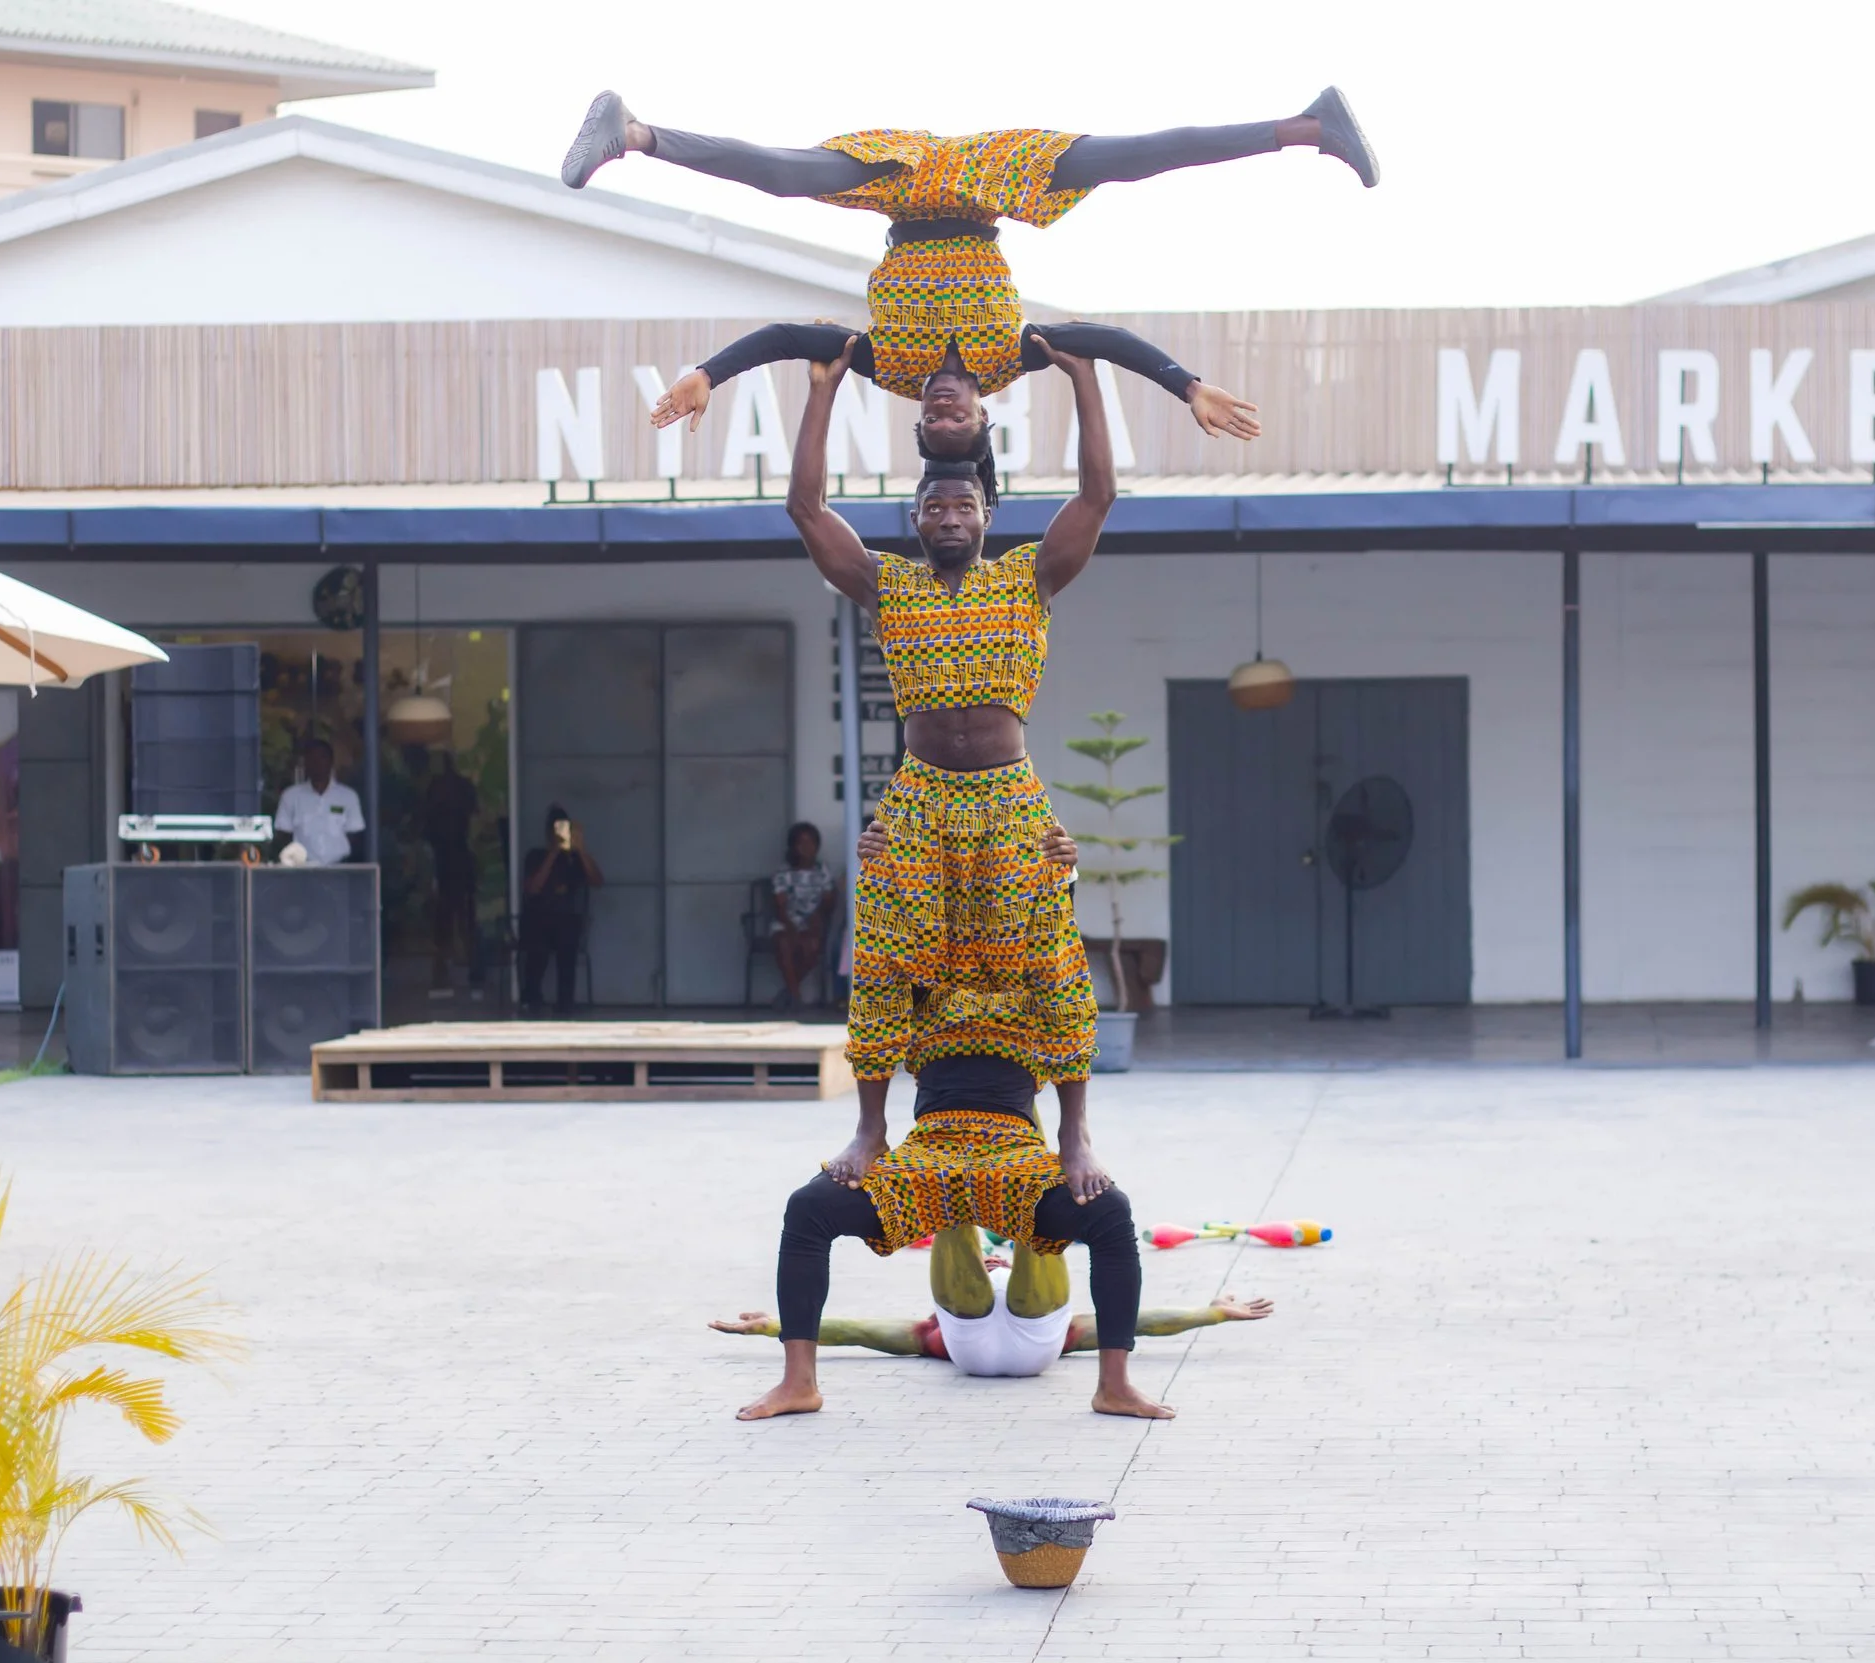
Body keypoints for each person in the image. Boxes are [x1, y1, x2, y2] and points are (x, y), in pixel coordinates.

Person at [563, 89, 1378, 464]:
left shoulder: (893, 370)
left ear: (925, 419)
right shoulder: (1009, 357)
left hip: (903, 183)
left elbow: (786, 338)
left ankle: (631, 133)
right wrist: (1186, 384)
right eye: (961, 423)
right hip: (994, 181)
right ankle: (1310, 125)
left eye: (935, 423)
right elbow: (1101, 338)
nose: (946, 409)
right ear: (982, 417)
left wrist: (710, 373)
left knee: (782, 175)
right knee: (1139, 156)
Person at [793, 332, 1108, 1128]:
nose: (949, 515)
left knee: (1051, 958)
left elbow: (1097, 497)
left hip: (1010, 799)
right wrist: (824, 389)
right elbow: (806, 508)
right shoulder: (886, 584)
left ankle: (1072, 1133)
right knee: (887, 958)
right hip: (918, 801)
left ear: (987, 513)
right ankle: (871, 1130)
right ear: (916, 516)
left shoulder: (1026, 578)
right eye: (933, 505)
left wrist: (1084, 380)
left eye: (963, 504)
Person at [743, 1046, 1173, 1420]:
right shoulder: (919, 964)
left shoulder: (1033, 962)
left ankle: (1113, 1388)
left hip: (1014, 1150)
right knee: (808, 1207)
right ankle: (799, 1384)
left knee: (1110, 1211)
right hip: (932, 1149)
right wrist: (869, 1132)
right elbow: (874, 1026)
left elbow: (1070, 1034)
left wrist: (1074, 1140)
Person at [710, 1221, 1273, 1374]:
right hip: (1033, 1348)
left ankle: (962, 1177)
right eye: (986, 1259)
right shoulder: (1064, 1331)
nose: (991, 1259)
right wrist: (1209, 1315)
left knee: (961, 1217)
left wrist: (775, 1325)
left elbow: (860, 1332)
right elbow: (1132, 1324)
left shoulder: (933, 1333)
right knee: (1036, 1221)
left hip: (971, 1348)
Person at [520, 802, 602, 1015]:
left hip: (566, 920)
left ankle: (566, 1002)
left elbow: (597, 881)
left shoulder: (574, 860)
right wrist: (553, 853)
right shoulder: (536, 856)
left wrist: (581, 850)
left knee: (568, 937)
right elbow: (533, 888)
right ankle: (532, 999)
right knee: (536, 942)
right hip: (539, 919)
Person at [420, 752, 481, 999]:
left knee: (457, 919)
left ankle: (465, 976)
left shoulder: (441, 789)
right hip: (447, 858)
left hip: (454, 858)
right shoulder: (453, 788)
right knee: (452, 920)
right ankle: (455, 976)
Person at [769, 822, 836, 1011]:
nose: (807, 848)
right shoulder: (784, 872)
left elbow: (829, 899)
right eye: (802, 843)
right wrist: (792, 929)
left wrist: (817, 917)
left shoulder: (822, 870)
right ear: (793, 846)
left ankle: (788, 991)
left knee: (813, 946)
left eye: (811, 843)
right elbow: (780, 907)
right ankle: (797, 998)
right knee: (784, 943)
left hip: (813, 922)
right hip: (786, 922)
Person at [274, 737, 365, 865]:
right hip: (302, 870)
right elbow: (283, 834)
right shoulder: (291, 796)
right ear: (305, 763)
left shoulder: (348, 797)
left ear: (331, 761)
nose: (317, 763)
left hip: (340, 869)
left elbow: (355, 834)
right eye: (311, 759)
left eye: (322, 758)